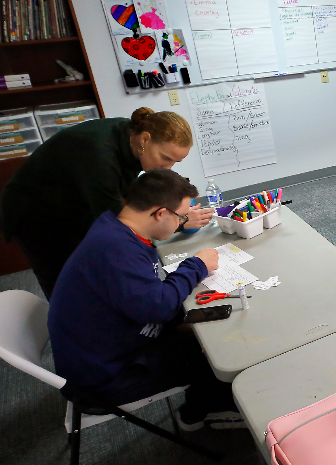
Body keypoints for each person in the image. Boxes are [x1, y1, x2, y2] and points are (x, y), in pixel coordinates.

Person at [47, 169, 242, 430]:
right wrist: (197, 265)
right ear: (161, 213)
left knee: (198, 326)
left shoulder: (114, 228)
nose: (181, 223)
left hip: (109, 345)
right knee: (214, 352)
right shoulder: (116, 250)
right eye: (181, 217)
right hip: (103, 379)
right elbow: (158, 307)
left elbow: (143, 298)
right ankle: (199, 414)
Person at [0, 107, 213, 299]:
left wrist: (175, 216)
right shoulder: (99, 156)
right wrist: (179, 222)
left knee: (96, 265)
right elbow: (122, 227)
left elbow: (130, 200)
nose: (168, 167)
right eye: (165, 157)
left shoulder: (134, 135)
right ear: (145, 140)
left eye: (176, 161)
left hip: (75, 198)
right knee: (65, 277)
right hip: (37, 212)